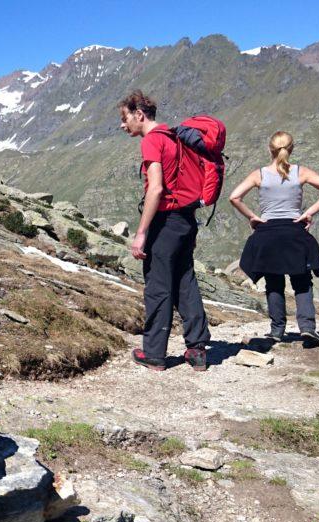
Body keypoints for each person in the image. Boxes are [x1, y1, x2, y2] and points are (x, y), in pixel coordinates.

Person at [118, 90, 211, 371]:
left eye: (124, 119)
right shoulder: (178, 139)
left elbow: (156, 188)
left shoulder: (152, 141)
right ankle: (197, 351)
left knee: (158, 286)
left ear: (139, 115)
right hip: (187, 220)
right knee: (186, 281)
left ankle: (155, 354)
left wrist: (142, 233)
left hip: (166, 222)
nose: (123, 125)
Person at [229, 131, 319, 344]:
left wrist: (253, 217)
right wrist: (309, 213)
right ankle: (307, 327)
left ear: (269, 149)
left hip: (268, 233)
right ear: (291, 149)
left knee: (274, 282)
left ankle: (277, 330)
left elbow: (234, 197)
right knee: (302, 281)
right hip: (294, 231)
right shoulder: (301, 172)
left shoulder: (258, 174)